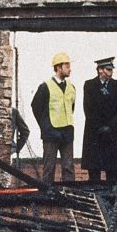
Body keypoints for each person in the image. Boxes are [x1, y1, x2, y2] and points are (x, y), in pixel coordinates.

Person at [30, 52, 76, 185]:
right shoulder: (45, 86)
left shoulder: (71, 87)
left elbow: (71, 107)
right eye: (66, 65)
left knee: (68, 168)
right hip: (51, 132)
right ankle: (47, 197)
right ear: (58, 67)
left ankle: (69, 195)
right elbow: (36, 107)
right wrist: (46, 127)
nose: (69, 68)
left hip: (67, 132)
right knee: (49, 168)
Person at [82, 56, 117, 187]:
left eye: (111, 69)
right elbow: (88, 109)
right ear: (100, 70)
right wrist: (99, 127)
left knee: (112, 172)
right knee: (94, 171)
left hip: (111, 133)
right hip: (94, 134)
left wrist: (111, 126)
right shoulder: (89, 85)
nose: (111, 72)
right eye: (108, 69)